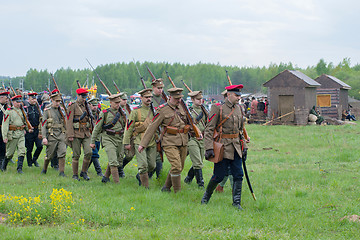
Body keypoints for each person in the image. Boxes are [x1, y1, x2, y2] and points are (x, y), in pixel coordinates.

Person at [139, 88, 202, 193]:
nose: (178, 100)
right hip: (169, 141)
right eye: (176, 98)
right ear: (170, 97)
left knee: (179, 167)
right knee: (176, 166)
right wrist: (143, 144)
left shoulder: (183, 107)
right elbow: (152, 127)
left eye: (180, 98)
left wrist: (197, 133)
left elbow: (190, 122)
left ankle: (166, 188)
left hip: (183, 140)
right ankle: (177, 192)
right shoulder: (162, 110)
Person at [201, 84, 248, 210]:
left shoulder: (239, 109)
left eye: (239, 95)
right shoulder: (218, 108)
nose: (239, 98)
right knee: (219, 176)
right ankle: (206, 197)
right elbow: (209, 129)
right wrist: (209, 148)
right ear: (229, 95)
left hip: (236, 147)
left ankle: (236, 203)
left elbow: (240, 130)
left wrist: (244, 146)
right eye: (236, 95)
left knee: (238, 174)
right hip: (222, 147)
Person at [123, 88, 156, 188]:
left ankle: (140, 176)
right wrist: (126, 142)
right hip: (139, 141)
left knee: (152, 165)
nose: (149, 99)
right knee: (143, 165)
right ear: (141, 98)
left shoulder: (154, 111)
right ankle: (145, 187)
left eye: (150, 97)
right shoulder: (136, 112)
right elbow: (129, 127)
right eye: (146, 97)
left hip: (152, 141)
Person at [90, 93, 126, 184]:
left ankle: (105, 177)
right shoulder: (104, 113)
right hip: (108, 138)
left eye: (119, 102)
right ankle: (116, 183)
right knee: (113, 161)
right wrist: (92, 141)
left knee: (118, 159)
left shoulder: (122, 113)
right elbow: (97, 127)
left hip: (119, 138)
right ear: (110, 102)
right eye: (115, 102)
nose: (118, 104)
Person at [66, 88, 92, 181]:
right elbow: (69, 121)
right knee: (76, 155)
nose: (84, 98)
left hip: (86, 133)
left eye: (85, 97)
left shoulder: (87, 106)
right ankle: (75, 175)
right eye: (82, 96)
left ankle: (83, 172)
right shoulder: (72, 106)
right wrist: (70, 135)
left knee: (89, 152)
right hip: (76, 133)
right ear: (78, 96)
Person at [1, 95, 32, 173]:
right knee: (9, 153)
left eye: (20, 102)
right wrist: (4, 136)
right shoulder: (9, 111)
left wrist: (28, 129)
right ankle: (3, 166)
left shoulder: (22, 111)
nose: (19, 104)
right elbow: (5, 125)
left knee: (22, 151)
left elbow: (25, 121)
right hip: (13, 134)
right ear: (13, 102)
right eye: (17, 102)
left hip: (21, 133)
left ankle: (19, 169)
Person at [183, 90, 207, 188]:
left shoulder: (204, 111)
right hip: (192, 139)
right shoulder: (188, 111)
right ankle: (200, 184)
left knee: (199, 162)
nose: (200, 101)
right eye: (197, 99)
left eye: (201, 99)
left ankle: (188, 178)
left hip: (203, 139)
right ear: (192, 99)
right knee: (197, 162)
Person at [40, 92, 67, 176]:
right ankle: (44, 169)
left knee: (62, 153)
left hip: (61, 134)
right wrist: (44, 137)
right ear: (51, 100)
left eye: (59, 101)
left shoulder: (62, 110)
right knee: (49, 155)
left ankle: (61, 172)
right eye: (56, 101)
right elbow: (43, 125)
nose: (58, 103)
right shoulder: (47, 111)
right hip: (52, 135)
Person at [149, 78, 166, 178]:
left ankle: (158, 177)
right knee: (153, 156)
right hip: (153, 130)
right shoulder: (149, 99)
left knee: (159, 154)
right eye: (158, 88)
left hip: (162, 130)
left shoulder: (165, 99)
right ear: (153, 88)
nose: (160, 90)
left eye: (161, 88)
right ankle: (148, 175)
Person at [25, 92, 43, 167]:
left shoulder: (38, 108)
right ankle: (29, 163)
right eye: (32, 99)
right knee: (29, 148)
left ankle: (34, 159)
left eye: (35, 99)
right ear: (29, 99)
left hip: (37, 130)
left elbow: (41, 118)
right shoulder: (26, 108)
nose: (34, 100)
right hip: (29, 131)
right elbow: (25, 120)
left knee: (40, 146)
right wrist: (27, 128)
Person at [87, 97, 103, 177]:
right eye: (93, 105)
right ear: (89, 105)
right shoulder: (86, 113)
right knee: (94, 154)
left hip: (98, 137)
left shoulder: (100, 114)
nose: (95, 107)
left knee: (92, 155)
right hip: (89, 136)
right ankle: (99, 172)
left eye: (96, 105)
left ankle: (85, 169)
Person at [118, 92, 132, 178]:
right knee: (119, 155)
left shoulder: (128, 109)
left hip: (127, 135)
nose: (125, 101)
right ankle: (119, 170)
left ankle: (121, 166)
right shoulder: (116, 110)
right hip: (119, 135)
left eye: (126, 100)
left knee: (129, 155)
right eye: (123, 100)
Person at [0, 89, 10, 171]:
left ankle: (2, 165)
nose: (7, 100)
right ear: (1, 97)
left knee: (3, 148)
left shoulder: (8, 107)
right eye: (6, 98)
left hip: (4, 130)